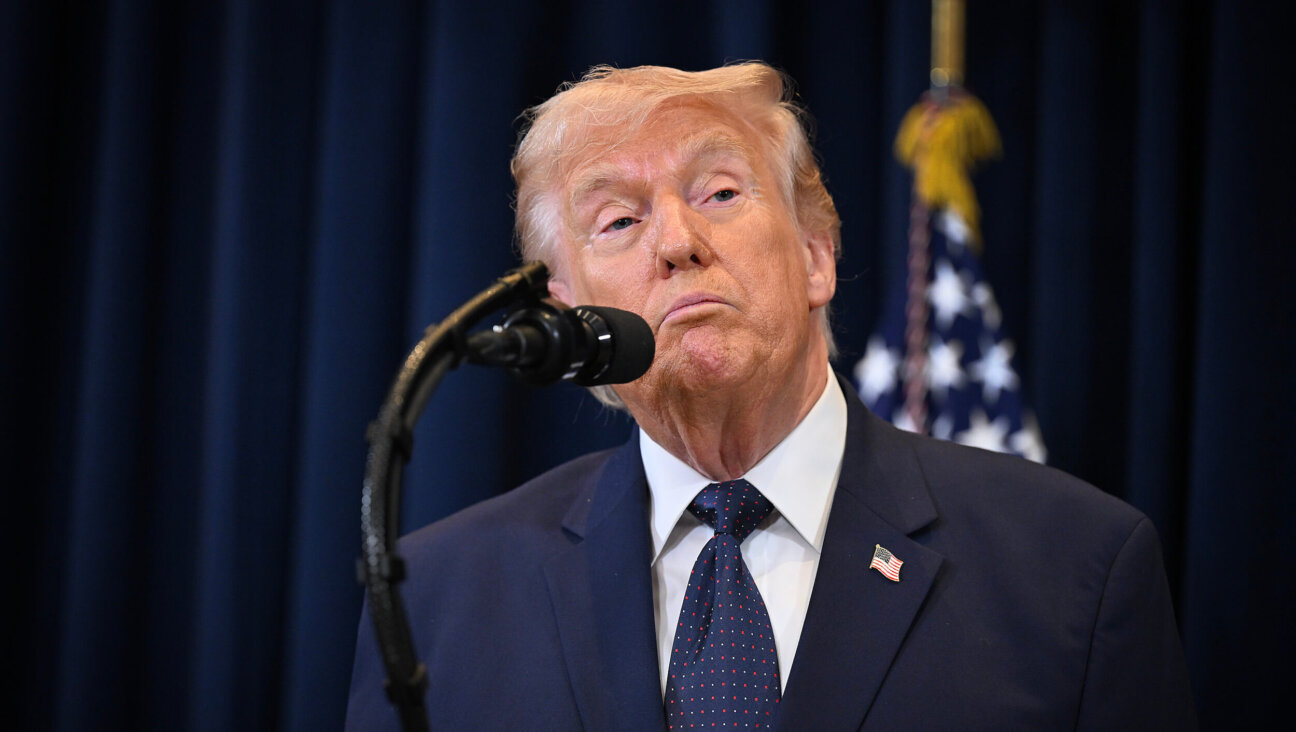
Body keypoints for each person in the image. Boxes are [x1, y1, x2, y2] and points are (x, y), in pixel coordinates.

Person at [346, 62, 1196, 730]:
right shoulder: (439, 599)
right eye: (619, 221)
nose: (677, 241)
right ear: (571, 318)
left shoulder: (1076, 568)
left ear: (817, 255)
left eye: (719, 193)